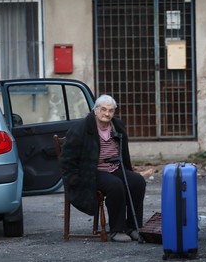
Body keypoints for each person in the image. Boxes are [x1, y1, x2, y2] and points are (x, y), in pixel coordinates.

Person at [59, 94, 146, 243]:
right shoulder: (81, 128)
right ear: (96, 109)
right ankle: (116, 229)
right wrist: (73, 179)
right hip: (92, 171)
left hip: (115, 167)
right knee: (115, 185)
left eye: (111, 110)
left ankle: (133, 227)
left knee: (138, 182)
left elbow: (123, 152)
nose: (107, 114)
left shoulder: (117, 125)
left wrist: (127, 169)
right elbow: (67, 159)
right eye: (104, 109)